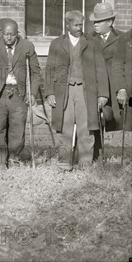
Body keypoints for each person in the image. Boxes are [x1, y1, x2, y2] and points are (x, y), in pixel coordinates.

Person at [45, 11, 109, 170]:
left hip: (86, 92)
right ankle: (64, 162)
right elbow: (49, 70)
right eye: (76, 25)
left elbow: (101, 70)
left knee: (86, 127)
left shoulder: (92, 43)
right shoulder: (56, 43)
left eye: (81, 24)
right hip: (63, 92)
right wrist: (50, 92)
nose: (80, 28)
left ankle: (85, 162)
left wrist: (102, 94)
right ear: (67, 25)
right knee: (64, 127)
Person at [0, 19, 41, 166]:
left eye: (12, 35)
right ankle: (0, 161)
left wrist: (32, 93)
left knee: (17, 128)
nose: (8, 38)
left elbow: (35, 72)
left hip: (18, 93)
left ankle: (14, 159)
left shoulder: (27, 46)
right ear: (1, 33)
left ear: (17, 34)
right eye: (5, 34)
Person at [89, 3, 128, 134]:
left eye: (99, 21)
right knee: (94, 121)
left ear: (110, 22)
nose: (95, 24)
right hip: (96, 87)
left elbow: (126, 65)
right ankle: (96, 152)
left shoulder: (123, 38)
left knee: (115, 120)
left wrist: (122, 88)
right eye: (94, 21)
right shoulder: (88, 39)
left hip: (115, 87)